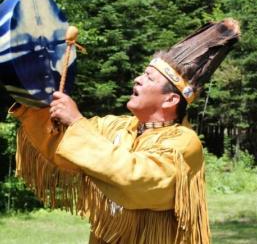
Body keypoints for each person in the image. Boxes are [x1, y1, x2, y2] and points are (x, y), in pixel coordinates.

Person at [9, 18, 240, 244]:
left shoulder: (184, 143)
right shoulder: (116, 126)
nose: (138, 79)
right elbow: (61, 142)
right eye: (142, 73)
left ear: (170, 99)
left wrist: (77, 121)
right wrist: (24, 93)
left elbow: (133, 179)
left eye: (148, 77)